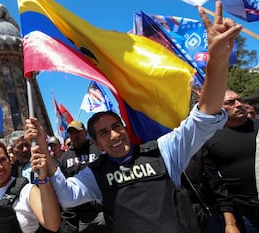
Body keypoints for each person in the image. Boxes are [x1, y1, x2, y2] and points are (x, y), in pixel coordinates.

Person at [25, 3, 242, 233]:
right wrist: (43, 150)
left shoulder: (163, 151)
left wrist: (217, 59)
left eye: (116, 126)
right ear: (96, 144)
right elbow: (68, 196)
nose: (114, 135)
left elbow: (204, 117)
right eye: (104, 133)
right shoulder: (96, 173)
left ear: (125, 128)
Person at [200, 89, 259, 233]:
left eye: (240, 100)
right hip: (245, 215)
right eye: (230, 102)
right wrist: (230, 222)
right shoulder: (209, 139)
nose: (239, 105)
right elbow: (216, 183)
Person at [58, 120, 106, 233]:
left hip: (101, 210)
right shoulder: (65, 157)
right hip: (80, 216)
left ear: (85, 132)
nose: (74, 135)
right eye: (71, 133)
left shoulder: (98, 148)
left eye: (78, 132)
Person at [181, 151, 239, 233]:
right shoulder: (159, 158)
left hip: (209, 217)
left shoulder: (197, 149)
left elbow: (216, 185)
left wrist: (230, 223)